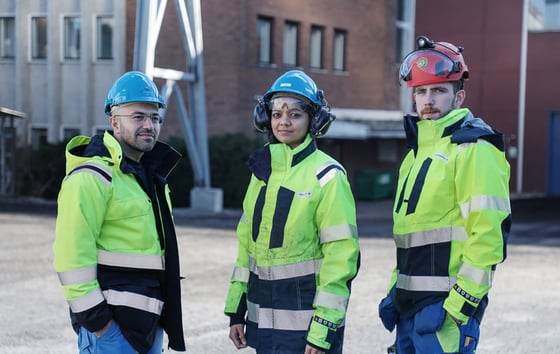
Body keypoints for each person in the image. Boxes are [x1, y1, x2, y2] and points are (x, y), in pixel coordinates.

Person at [378, 36, 512, 354]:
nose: (428, 100)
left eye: (438, 90)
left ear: (458, 97)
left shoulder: (473, 148)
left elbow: (488, 239)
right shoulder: (415, 155)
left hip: (445, 312)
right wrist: (395, 291)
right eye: (421, 92)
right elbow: (410, 237)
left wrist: (459, 307)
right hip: (410, 307)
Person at [224, 70, 361, 354]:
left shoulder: (328, 176)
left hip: (308, 333)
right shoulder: (262, 173)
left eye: (295, 114)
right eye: (276, 114)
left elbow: (341, 257)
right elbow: (245, 249)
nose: (284, 122)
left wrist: (323, 329)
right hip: (263, 328)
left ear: (314, 120)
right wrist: (236, 312)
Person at [53, 71, 186, 354]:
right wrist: (101, 326)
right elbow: (71, 259)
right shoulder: (91, 177)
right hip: (112, 333)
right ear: (114, 122)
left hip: (149, 328)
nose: (149, 125)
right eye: (138, 117)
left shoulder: (150, 180)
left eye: (155, 118)